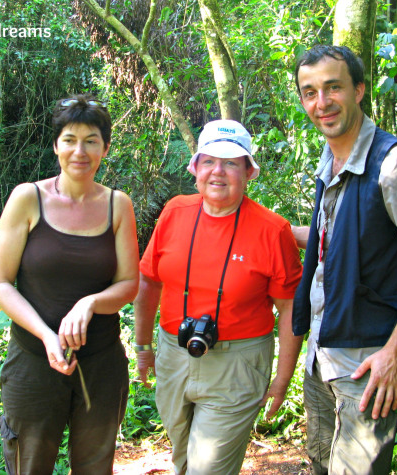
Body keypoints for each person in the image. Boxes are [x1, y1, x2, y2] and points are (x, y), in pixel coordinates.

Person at [291, 44, 397, 474]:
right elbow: (338, 241)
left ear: (359, 90)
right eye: (309, 92)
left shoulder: (393, 163)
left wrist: (395, 353)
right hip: (323, 353)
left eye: (332, 87)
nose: (321, 103)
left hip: (370, 360)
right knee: (321, 463)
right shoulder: (331, 159)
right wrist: (278, 233)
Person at [134, 119, 303, 475]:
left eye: (230, 162)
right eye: (209, 160)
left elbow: (290, 308)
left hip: (237, 364)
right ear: (195, 168)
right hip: (173, 354)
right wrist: (143, 346)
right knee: (182, 460)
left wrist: (282, 378)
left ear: (248, 172)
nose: (218, 171)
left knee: (207, 469)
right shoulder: (174, 212)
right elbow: (148, 282)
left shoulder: (273, 231)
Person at [0, 94, 139, 474]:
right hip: (34, 362)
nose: (80, 150)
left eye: (91, 140)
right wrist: (45, 334)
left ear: (105, 147)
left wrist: (89, 303)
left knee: (94, 465)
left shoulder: (117, 205)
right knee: (29, 465)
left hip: (101, 363)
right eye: (70, 139)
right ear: (56, 145)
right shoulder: (28, 198)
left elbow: (128, 284)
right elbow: (0, 282)